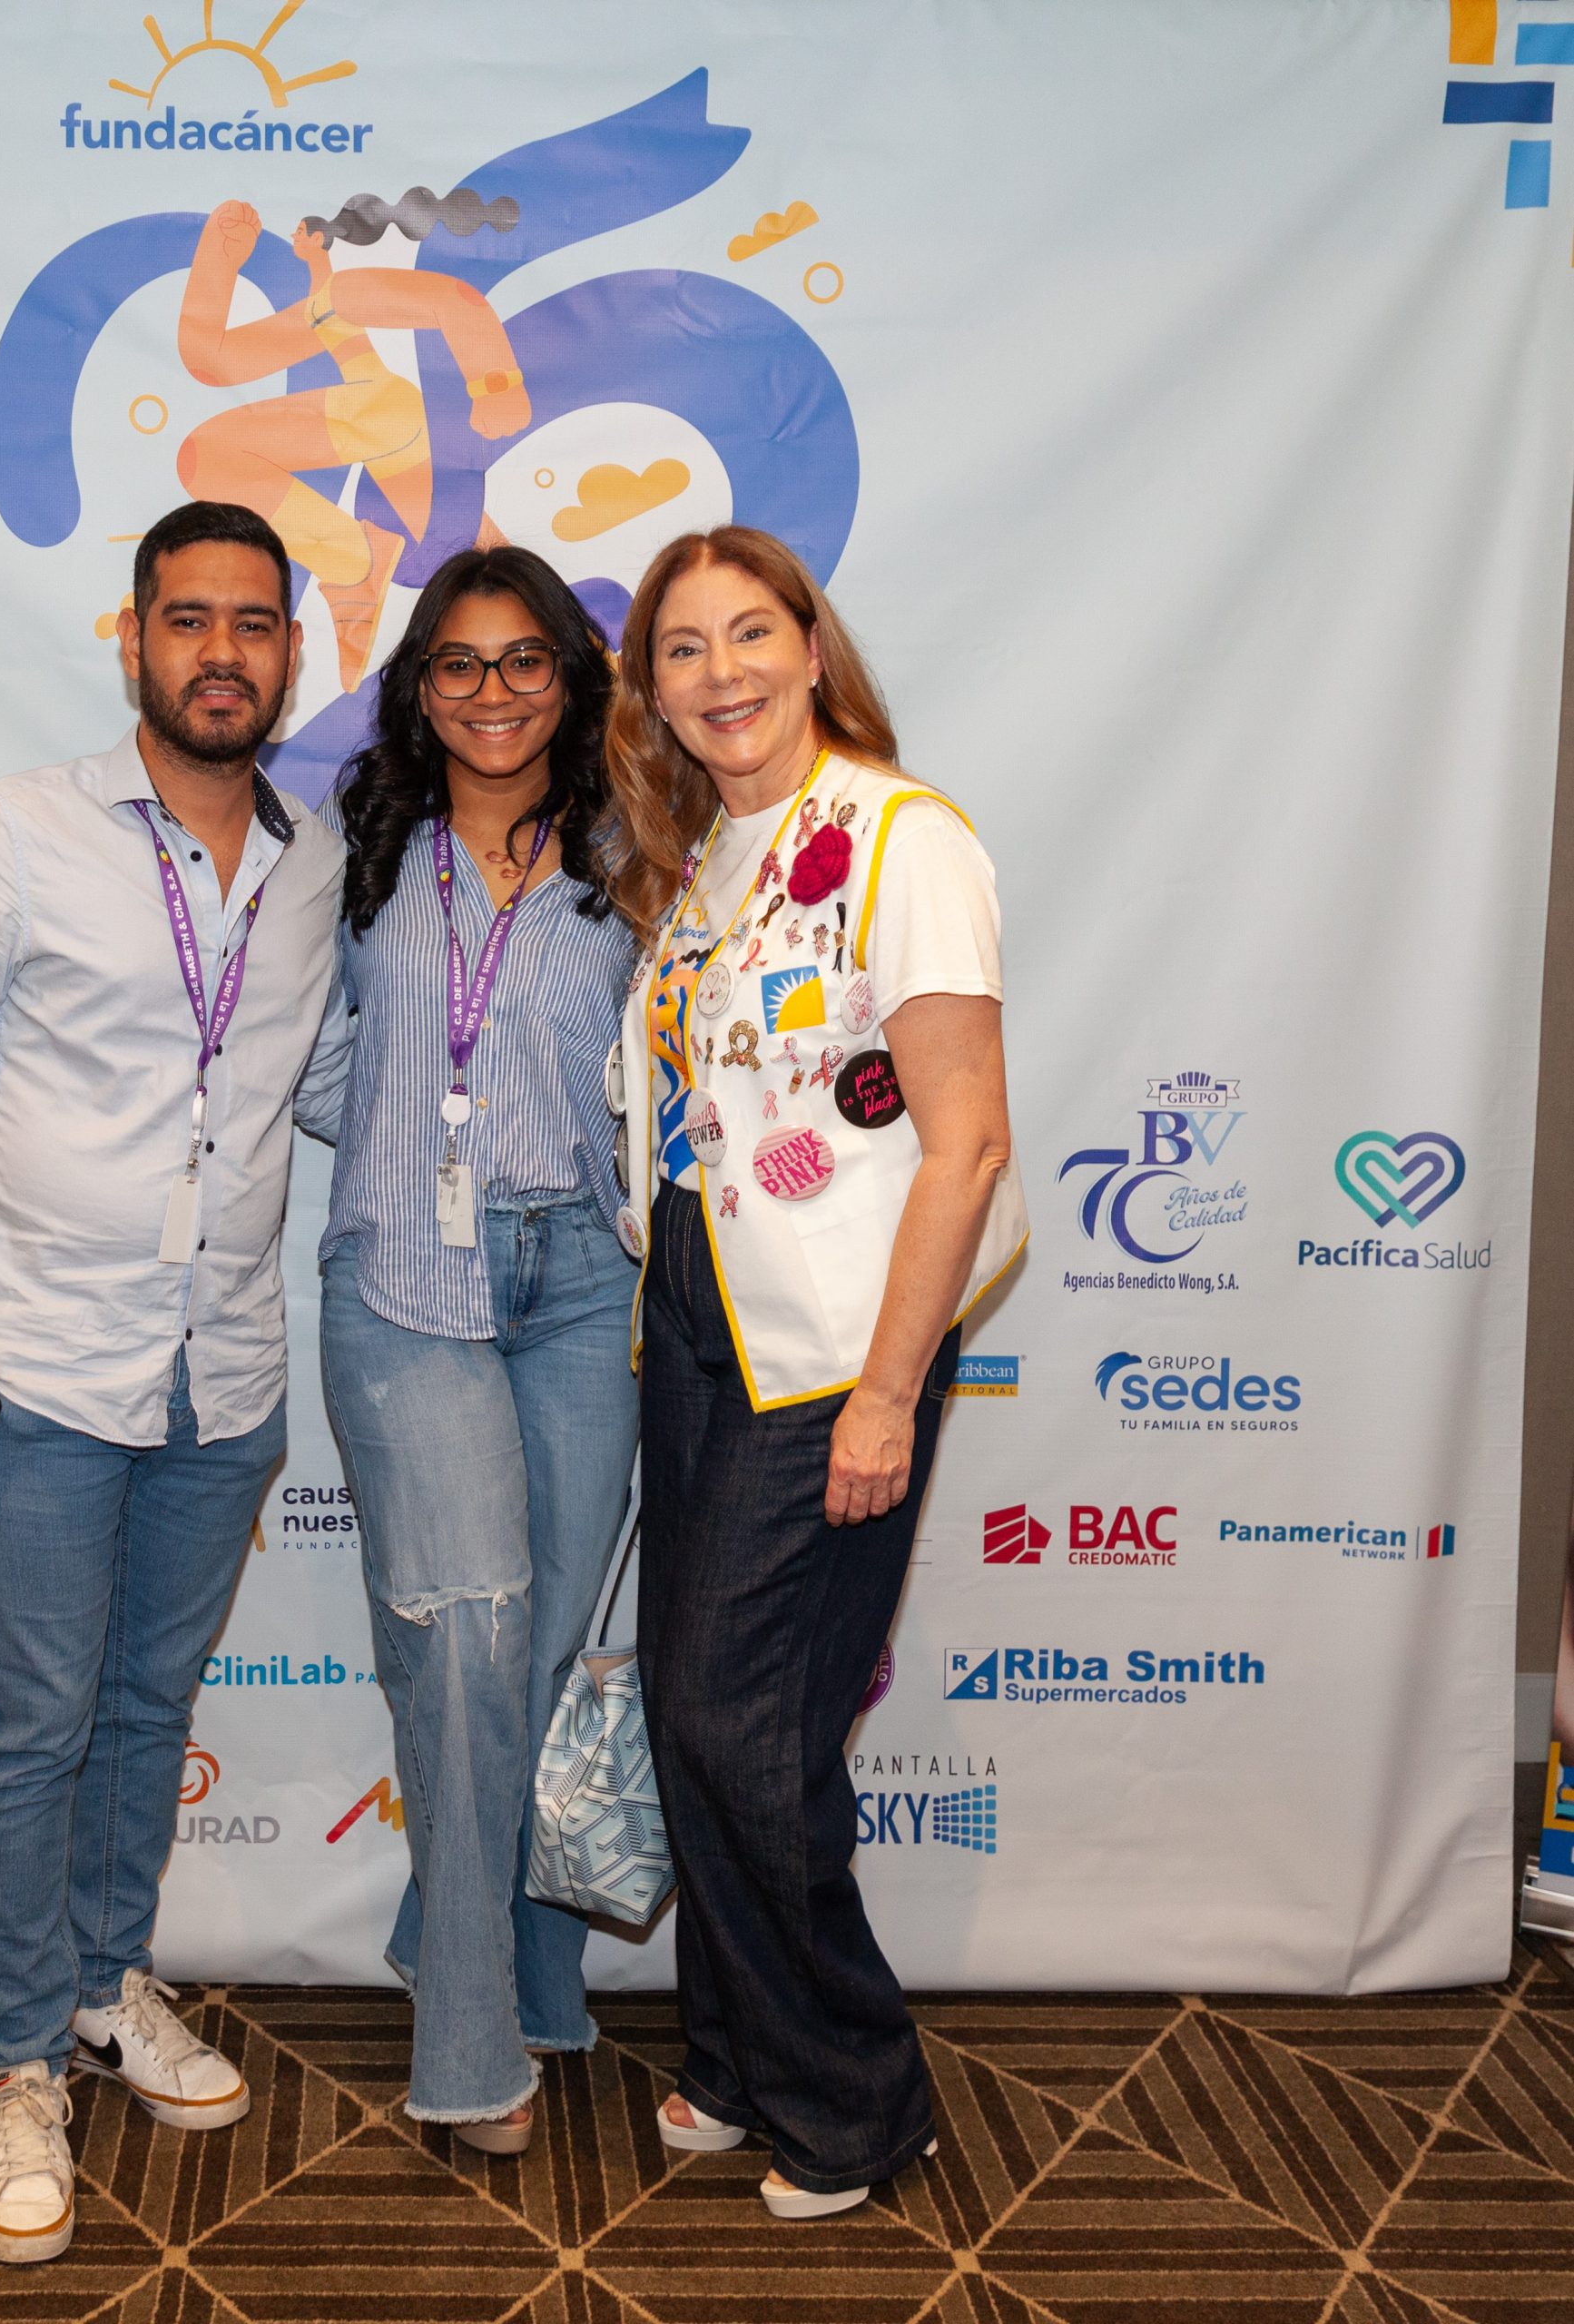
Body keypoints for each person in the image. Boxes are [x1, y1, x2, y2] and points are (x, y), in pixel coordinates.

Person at [0, 501, 349, 2266]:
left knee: (144, 1706)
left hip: (224, 1370)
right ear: (132, 638)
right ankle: (12, 2065)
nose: (222, 652)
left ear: (291, 652)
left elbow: (322, 1080)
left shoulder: (314, 863)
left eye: (253, 624)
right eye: (187, 618)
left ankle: (103, 1983)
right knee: (36, 1719)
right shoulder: (19, 835)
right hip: (42, 1365)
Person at [598, 526, 1027, 2219]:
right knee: (695, 1713)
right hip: (702, 1315)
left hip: (836, 1350)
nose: (719, 674)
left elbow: (965, 1146)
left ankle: (853, 2095)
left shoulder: (901, 839)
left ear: (809, 643)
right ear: (652, 692)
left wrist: (884, 1394)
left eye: (747, 633)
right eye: (680, 649)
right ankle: (734, 2053)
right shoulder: (713, 853)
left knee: (746, 1723)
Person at [318, 545, 637, 2149]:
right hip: (403, 1278)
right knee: (461, 1648)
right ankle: (464, 2044)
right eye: (459, 661)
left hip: (585, 1283)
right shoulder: (359, 853)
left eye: (526, 661)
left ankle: (511, 1961)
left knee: (547, 1654)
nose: (493, 691)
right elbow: (306, 1055)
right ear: (418, 686)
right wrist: (404, 1134)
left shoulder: (641, 856)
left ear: (570, 681)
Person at [176, 198, 530, 688]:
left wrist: (496, 384)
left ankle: (349, 565)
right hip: (390, 429)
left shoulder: (347, 291)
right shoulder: (322, 306)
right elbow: (212, 360)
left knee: (208, 455)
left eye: (306, 233)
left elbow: (456, 300)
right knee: (487, 564)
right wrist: (220, 260)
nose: (295, 240)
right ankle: (351, 566)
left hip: (387, 414)